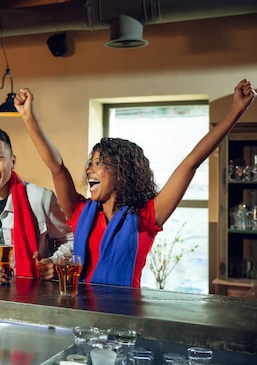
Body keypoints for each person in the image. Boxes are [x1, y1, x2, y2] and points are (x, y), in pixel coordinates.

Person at [14, 79, 255, 288]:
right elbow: (56, 167)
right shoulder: (80, 211)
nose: (89, 169)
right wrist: (27, 117)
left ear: (121, 173)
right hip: (82, 315)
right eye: (91, 163)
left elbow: (191, 163)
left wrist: (236, 109)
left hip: (125, 319)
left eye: (99, 163)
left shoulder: (147, 216)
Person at [0, 126, 73, 284]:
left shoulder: (39, 198)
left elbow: (70, 240)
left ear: (12, 161)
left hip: (34, 293)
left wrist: (55, 262)